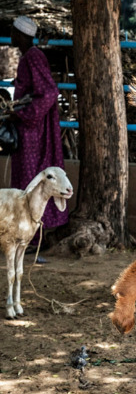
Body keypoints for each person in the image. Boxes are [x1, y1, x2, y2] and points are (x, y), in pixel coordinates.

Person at [9, 16, 67, 257]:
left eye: (13, 32)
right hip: (31, 127)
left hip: (33, 131)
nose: (10, 35)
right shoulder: (30, 57)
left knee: (31, 178)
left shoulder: (32, 57)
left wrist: (24, 113)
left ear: (21, 34)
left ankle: (33, 236)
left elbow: (48, 93)